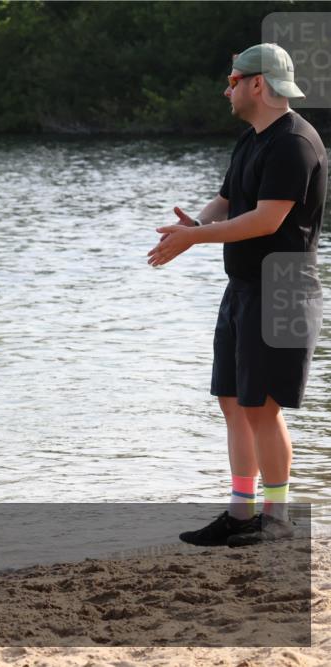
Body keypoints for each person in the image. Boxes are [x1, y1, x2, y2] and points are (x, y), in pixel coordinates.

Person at [148, 44, 326, 547]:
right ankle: (241, 511)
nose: (226, 90)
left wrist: (193, 239)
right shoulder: (253, 139)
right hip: (245, 288)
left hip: (284, 291)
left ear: (258, 84)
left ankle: (277, 517)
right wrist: (198, 225)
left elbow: (268, 219)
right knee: (233, 401)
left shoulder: (294, 143)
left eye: (232, 80)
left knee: (263, 407)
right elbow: (229, 201)